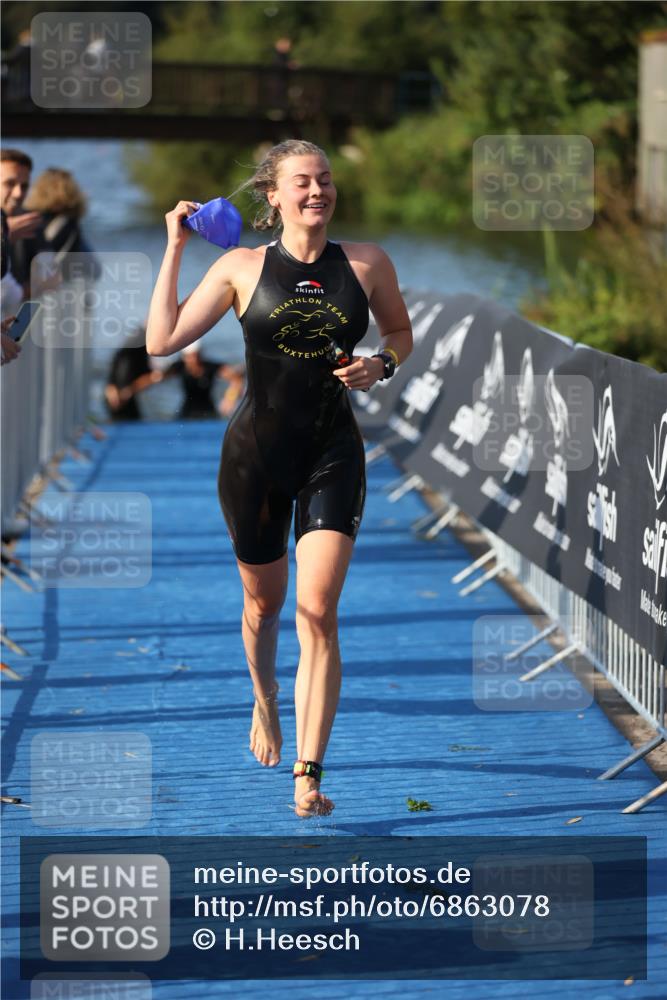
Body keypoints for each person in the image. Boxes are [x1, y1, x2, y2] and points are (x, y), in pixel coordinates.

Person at [145, 139, 412, 817]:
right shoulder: (239, 267)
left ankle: (308, 772)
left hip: (332, 451)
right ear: (272, 195)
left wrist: (381, 364)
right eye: (302, 182)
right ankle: (263, 700)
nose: (317, 191)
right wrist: (175, 247)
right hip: (254, 458)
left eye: (324, 181)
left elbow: (400, 336)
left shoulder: (367, 262)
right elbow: (160, 341)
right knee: (264, 606)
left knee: (316, 611)